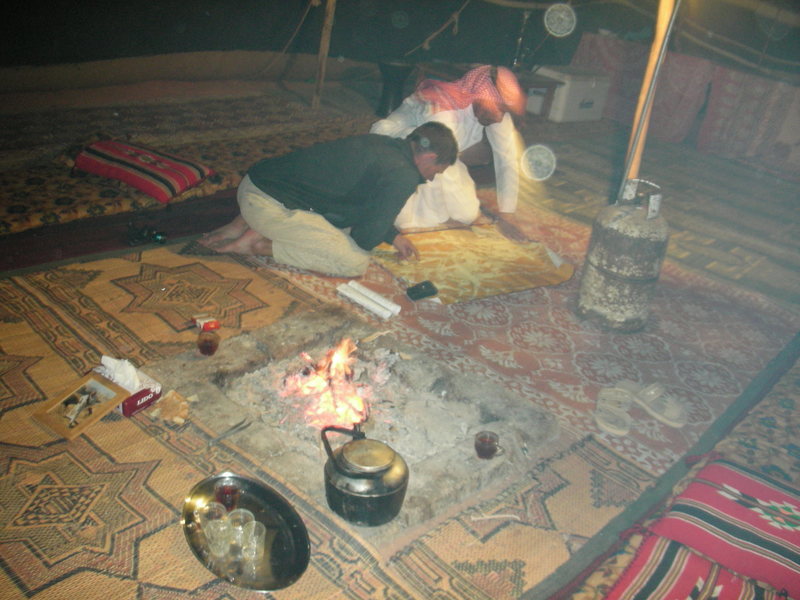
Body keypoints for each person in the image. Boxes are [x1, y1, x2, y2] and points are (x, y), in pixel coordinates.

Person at [199, 121, 458, 277]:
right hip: (267, 205)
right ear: (430, 158)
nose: (432, 178)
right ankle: (255, 244)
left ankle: (244, 223)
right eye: (437, 171)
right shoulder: (403, 175)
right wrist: (374, 231)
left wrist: (393, 236)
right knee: (354, 261)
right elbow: (365, 238)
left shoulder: (383, 144)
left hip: (256, 184)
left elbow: (361, 200)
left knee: (341, 221)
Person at [370, 64, 530, 242]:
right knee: (406, 221)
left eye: (504, 112)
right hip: (397, 151)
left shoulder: (493, 111)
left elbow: (507, 159)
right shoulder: (444, 113)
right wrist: (445, 219)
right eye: (499, 110)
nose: (500, 118)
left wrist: (506, 215)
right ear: (481, 96)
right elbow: (427, 162)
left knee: (467, 213)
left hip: (443, 157)